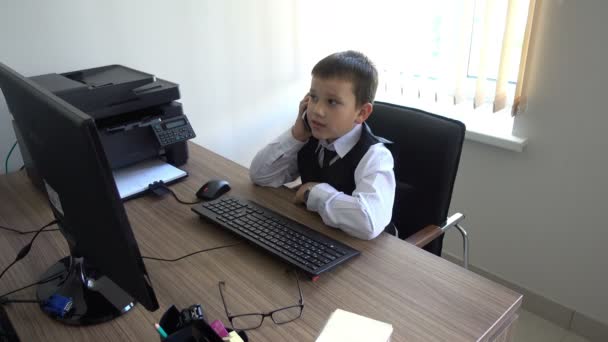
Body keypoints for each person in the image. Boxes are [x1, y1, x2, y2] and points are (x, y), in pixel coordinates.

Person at [249, 51, 395, 240]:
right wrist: (296, 135)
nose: (317, 110)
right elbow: (260, 176)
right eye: (314, 97)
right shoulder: (311, 137)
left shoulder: (375, 156)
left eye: (332, 102)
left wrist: (313, 192)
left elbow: (368, 223)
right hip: (315, 238)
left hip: (365, 255)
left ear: (362, 113)